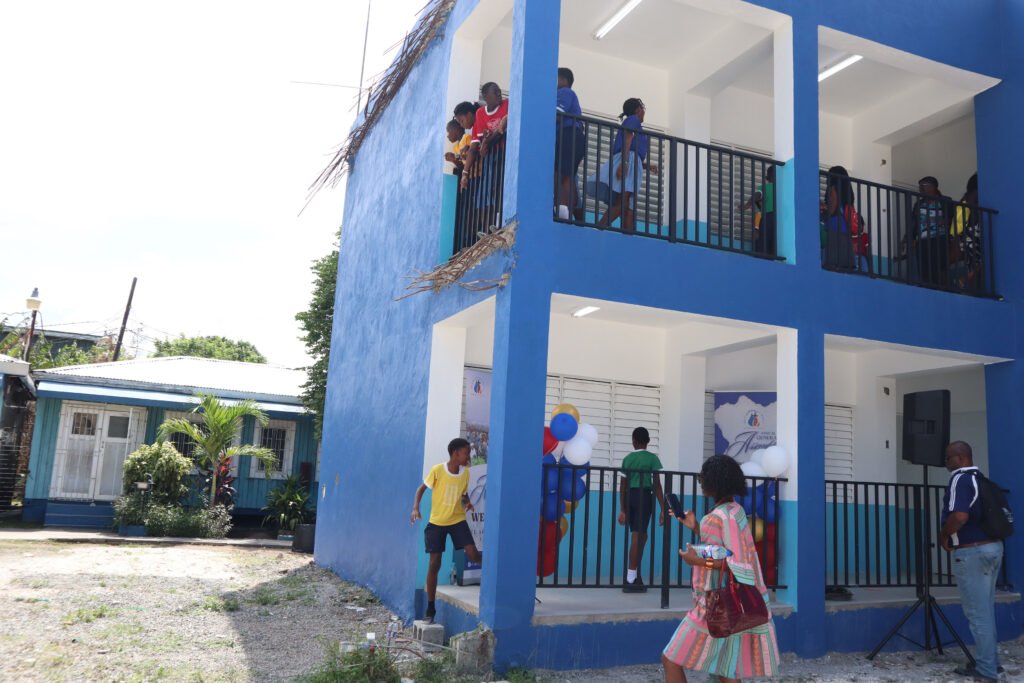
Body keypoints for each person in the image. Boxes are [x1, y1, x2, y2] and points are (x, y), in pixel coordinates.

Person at [662, 455, 780, 683]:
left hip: (713, 606)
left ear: (713, 483)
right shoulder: (735, 511)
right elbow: (720, 550)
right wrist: (695, 526)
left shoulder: (716, 517)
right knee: (727, 669)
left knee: (670, 658)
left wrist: (695, 560)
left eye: (704, 478)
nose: (701, 482)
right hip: (734, 604)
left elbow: (730, 559)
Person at [939, 441, 1004, 683]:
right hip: (993, 548)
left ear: (960, 458)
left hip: (972, 553)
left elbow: (960, 515)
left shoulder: (960, 479)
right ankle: (992, 664)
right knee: (986, 611)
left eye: (948, 459)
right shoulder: (981, 479)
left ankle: (986, 672)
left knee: (978, 615)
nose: (946, 464)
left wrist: (944, 534)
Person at [410, 437, 482, 624]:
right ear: (455, 453)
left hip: (457, 520)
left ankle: (494, 571)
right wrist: (416, 508)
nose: (469, 456)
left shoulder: (465, 474)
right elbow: (420, 489)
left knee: (474, 554)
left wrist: (468, 503)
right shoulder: (437, 470)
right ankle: (430, 608)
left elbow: (463, 494)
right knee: (435, 563)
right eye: (466, 452)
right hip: (437, 523)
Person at [586, 98, 659, 233]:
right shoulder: (633, 119)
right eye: (643, 108)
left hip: (631, 162)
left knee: (629, 209)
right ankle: (598, 229)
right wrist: (624, 163)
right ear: (638, 109)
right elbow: (628, 138)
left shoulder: (635, 123)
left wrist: (646, 166)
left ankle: (627, 242)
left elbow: (634, 151)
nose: (643, 112)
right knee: (623, 203)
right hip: (627, 162)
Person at [618, 427, 665, 593]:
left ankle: (634, 574)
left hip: (630, 497)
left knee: (642, 536)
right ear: (648, 441)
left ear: (633, 441)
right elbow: (657, 485)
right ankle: (630, 579)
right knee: (638, 536)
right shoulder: (652, 459)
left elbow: (622, 486)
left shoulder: (628, 459)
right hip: (644, 497)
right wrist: (663, 507)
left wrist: (623, 509)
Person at [820, 166, 870, 273]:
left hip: (834, 226)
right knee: (843, 263)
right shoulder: (847, 192)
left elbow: (833, 209)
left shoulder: (833, 188)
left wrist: (824, 209)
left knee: (832, 262)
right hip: (844, 229)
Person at [908, 176, 952, 288]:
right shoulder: (918, 205)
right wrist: (911, 239)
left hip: (939, 239)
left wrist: (946, 220)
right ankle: (927, 288)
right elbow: (913, 223)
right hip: (922, 241)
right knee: (924, 268)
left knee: (939, 267)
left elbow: (952, 218)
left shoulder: (945, 201)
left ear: (933, 187)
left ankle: (942, 289)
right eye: (920, 187)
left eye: (923, 186)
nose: (920, 189)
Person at [555, 67, 586, 222]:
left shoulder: (565, 92)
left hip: (569, 134)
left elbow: (556, 115)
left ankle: (563, 210)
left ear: (563, 80)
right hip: (572, 135)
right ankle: (571, 212)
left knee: (563, 175)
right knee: (568, 176)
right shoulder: (565, 93)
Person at [951, 173, 981, 292]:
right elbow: (956, 236)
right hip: (971, 258)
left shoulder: (977, 210)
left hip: (977, 261)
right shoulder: (963, 209)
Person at [738, 166, 776, 256]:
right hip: (778, 219)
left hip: (768, 217)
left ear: (767, 178)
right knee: (774, 243)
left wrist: (748, 204)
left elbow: (758, 195)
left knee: (762, 243)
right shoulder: (783, 189)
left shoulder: (765, 188)